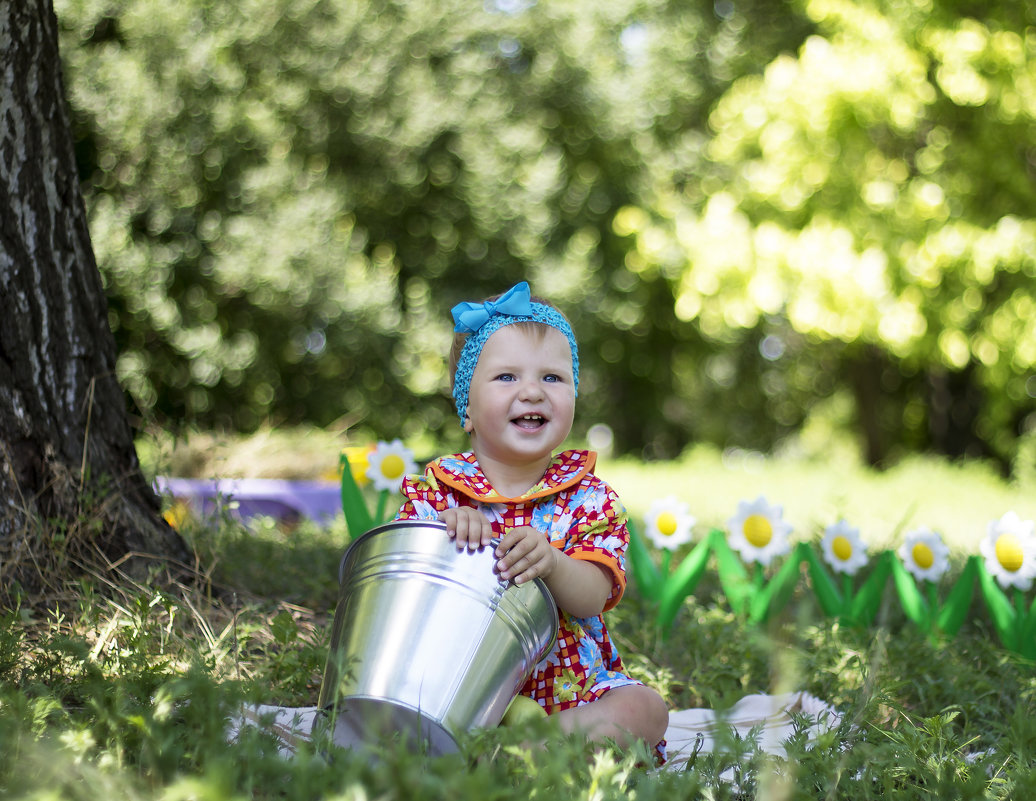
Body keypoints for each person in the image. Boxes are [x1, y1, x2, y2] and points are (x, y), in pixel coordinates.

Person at [394, 281, 669, 763]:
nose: (531, 392)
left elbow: (595, 596)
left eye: (552, 378)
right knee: (397, 707)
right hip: (454, 687)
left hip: (567, 692)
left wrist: (555, 565)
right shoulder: (440, 493)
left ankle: (514, 754)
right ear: (467, 407)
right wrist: (443, 535)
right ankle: (469, 746)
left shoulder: (588, 497)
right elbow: (400, 589)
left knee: (646, 709)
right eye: (506, 377)